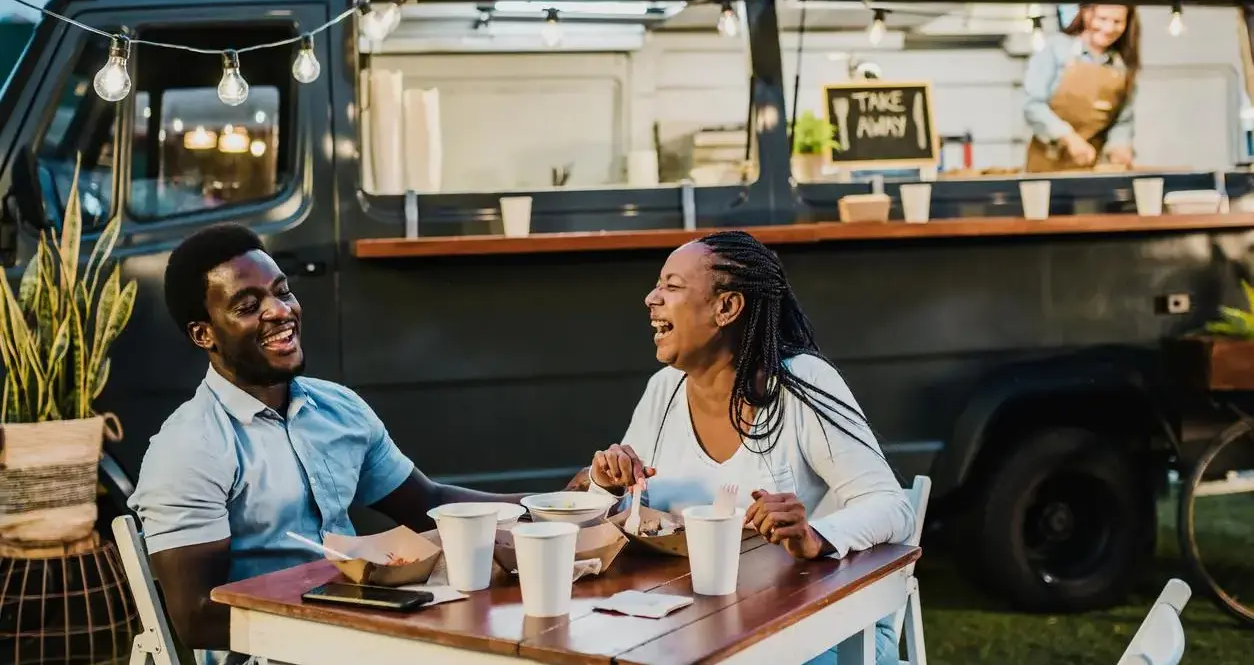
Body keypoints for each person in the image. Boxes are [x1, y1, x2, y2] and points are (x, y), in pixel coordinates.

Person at [127, 223, 525, 665]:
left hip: (363, 630)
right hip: (274, 654)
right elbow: (196, 617)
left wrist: (559, 503)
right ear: (205, 335)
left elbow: (427, 502)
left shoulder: (338, 409)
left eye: (282, 292)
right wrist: (353, 624)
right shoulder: (188, 450)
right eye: (248, 305)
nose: (280, 311)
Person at [585, 230, 915, 665]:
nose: (651, 298)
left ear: (726, 307)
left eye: (672, 286)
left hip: (829, 630)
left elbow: (892, 506)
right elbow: (621, 513)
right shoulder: (662, 391)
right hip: (702, 626)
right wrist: (607, 481)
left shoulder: (802, 384)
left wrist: (815, 537)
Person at [1022, 4, 1141, 172]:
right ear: (1086, 14)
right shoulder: (1056, 48)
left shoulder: (1121, 67)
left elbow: (1123, 121)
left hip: (1091, 168)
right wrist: (1069, 138)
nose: (1109, 28)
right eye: (1102, 19)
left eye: (1117, 21)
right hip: (1045, 164)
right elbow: (1032, 105)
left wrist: (1119, 146)